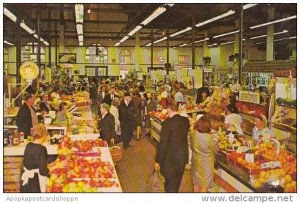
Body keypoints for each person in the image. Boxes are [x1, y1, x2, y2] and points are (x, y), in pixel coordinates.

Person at [154, 101, 189, 192]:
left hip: (169, 159)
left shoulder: (167, 123)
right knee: (177, 182)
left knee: (169, 184)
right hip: (182, 157)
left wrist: (157, 160)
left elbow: (163, 143)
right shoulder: (185, 121)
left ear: (168, 109)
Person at [191, 115, 218, 192]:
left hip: (195, 161)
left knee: (196, 183)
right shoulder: (209, 137)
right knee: (204, 185)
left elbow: (191, 146)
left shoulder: (193, 133)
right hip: (206, 164)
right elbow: (215, 150)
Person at [20, 124, 49, 192]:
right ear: (44, 135)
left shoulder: (28, 145)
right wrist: (50, 170)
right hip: (36, 182)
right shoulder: (42, 149)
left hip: (26, 181)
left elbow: (27, 162)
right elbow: (42, 171)